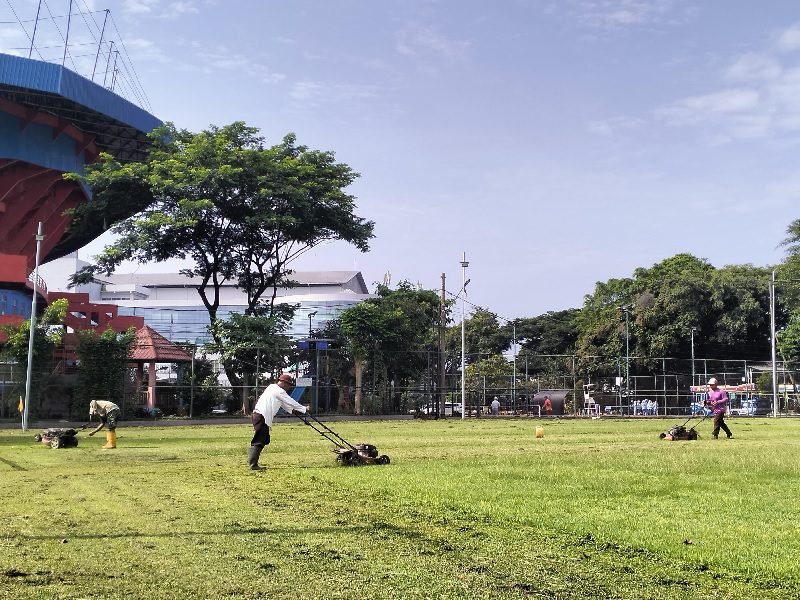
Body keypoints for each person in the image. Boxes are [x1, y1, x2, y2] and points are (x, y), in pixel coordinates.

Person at [249, 373, 308, 470]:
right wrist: (304, 409)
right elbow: (289, 401)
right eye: (289, 385)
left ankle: (253, 463)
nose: (289, 387)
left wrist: (292, 410)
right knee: (259, 439)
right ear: (284, 383)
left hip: (259, 416)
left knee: (264, 439)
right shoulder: (279, 391)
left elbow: (283, 403)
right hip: (261, 416)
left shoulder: (271, 388)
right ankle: (253, 464)